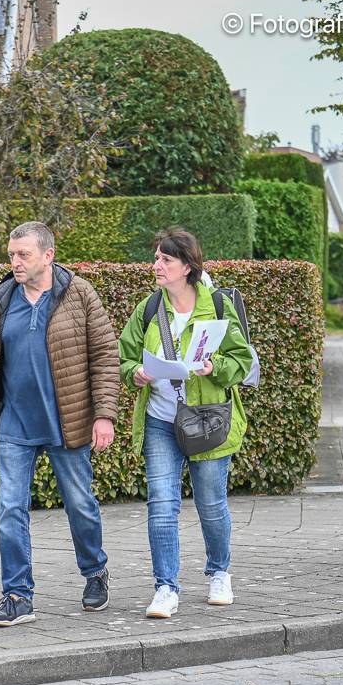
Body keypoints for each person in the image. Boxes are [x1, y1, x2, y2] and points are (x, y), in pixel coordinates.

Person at [0, 221, 120, 627]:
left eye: (23, 254)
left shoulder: (80, 295)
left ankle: (95, 571)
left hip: (68, 422)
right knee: (10, 508)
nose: (15, 262)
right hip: (14, 426)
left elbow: (106, 358)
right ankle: (17, 595)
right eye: (11, 254)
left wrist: (104, 415)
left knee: (80, 504)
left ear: (48, 254)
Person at [117, 227, 251, 619]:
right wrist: (135, 374)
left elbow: (242, 361)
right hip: (161, 420)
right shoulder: (147, 309)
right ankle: (165, 588)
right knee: (161, 505)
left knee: (211, 505)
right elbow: (125, 357)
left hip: (207, 419)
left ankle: (219, 572)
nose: (156, 265)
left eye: (165, 260)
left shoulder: (218, 306)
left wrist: (216, 367)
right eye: (156, 258)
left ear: (187, 266)